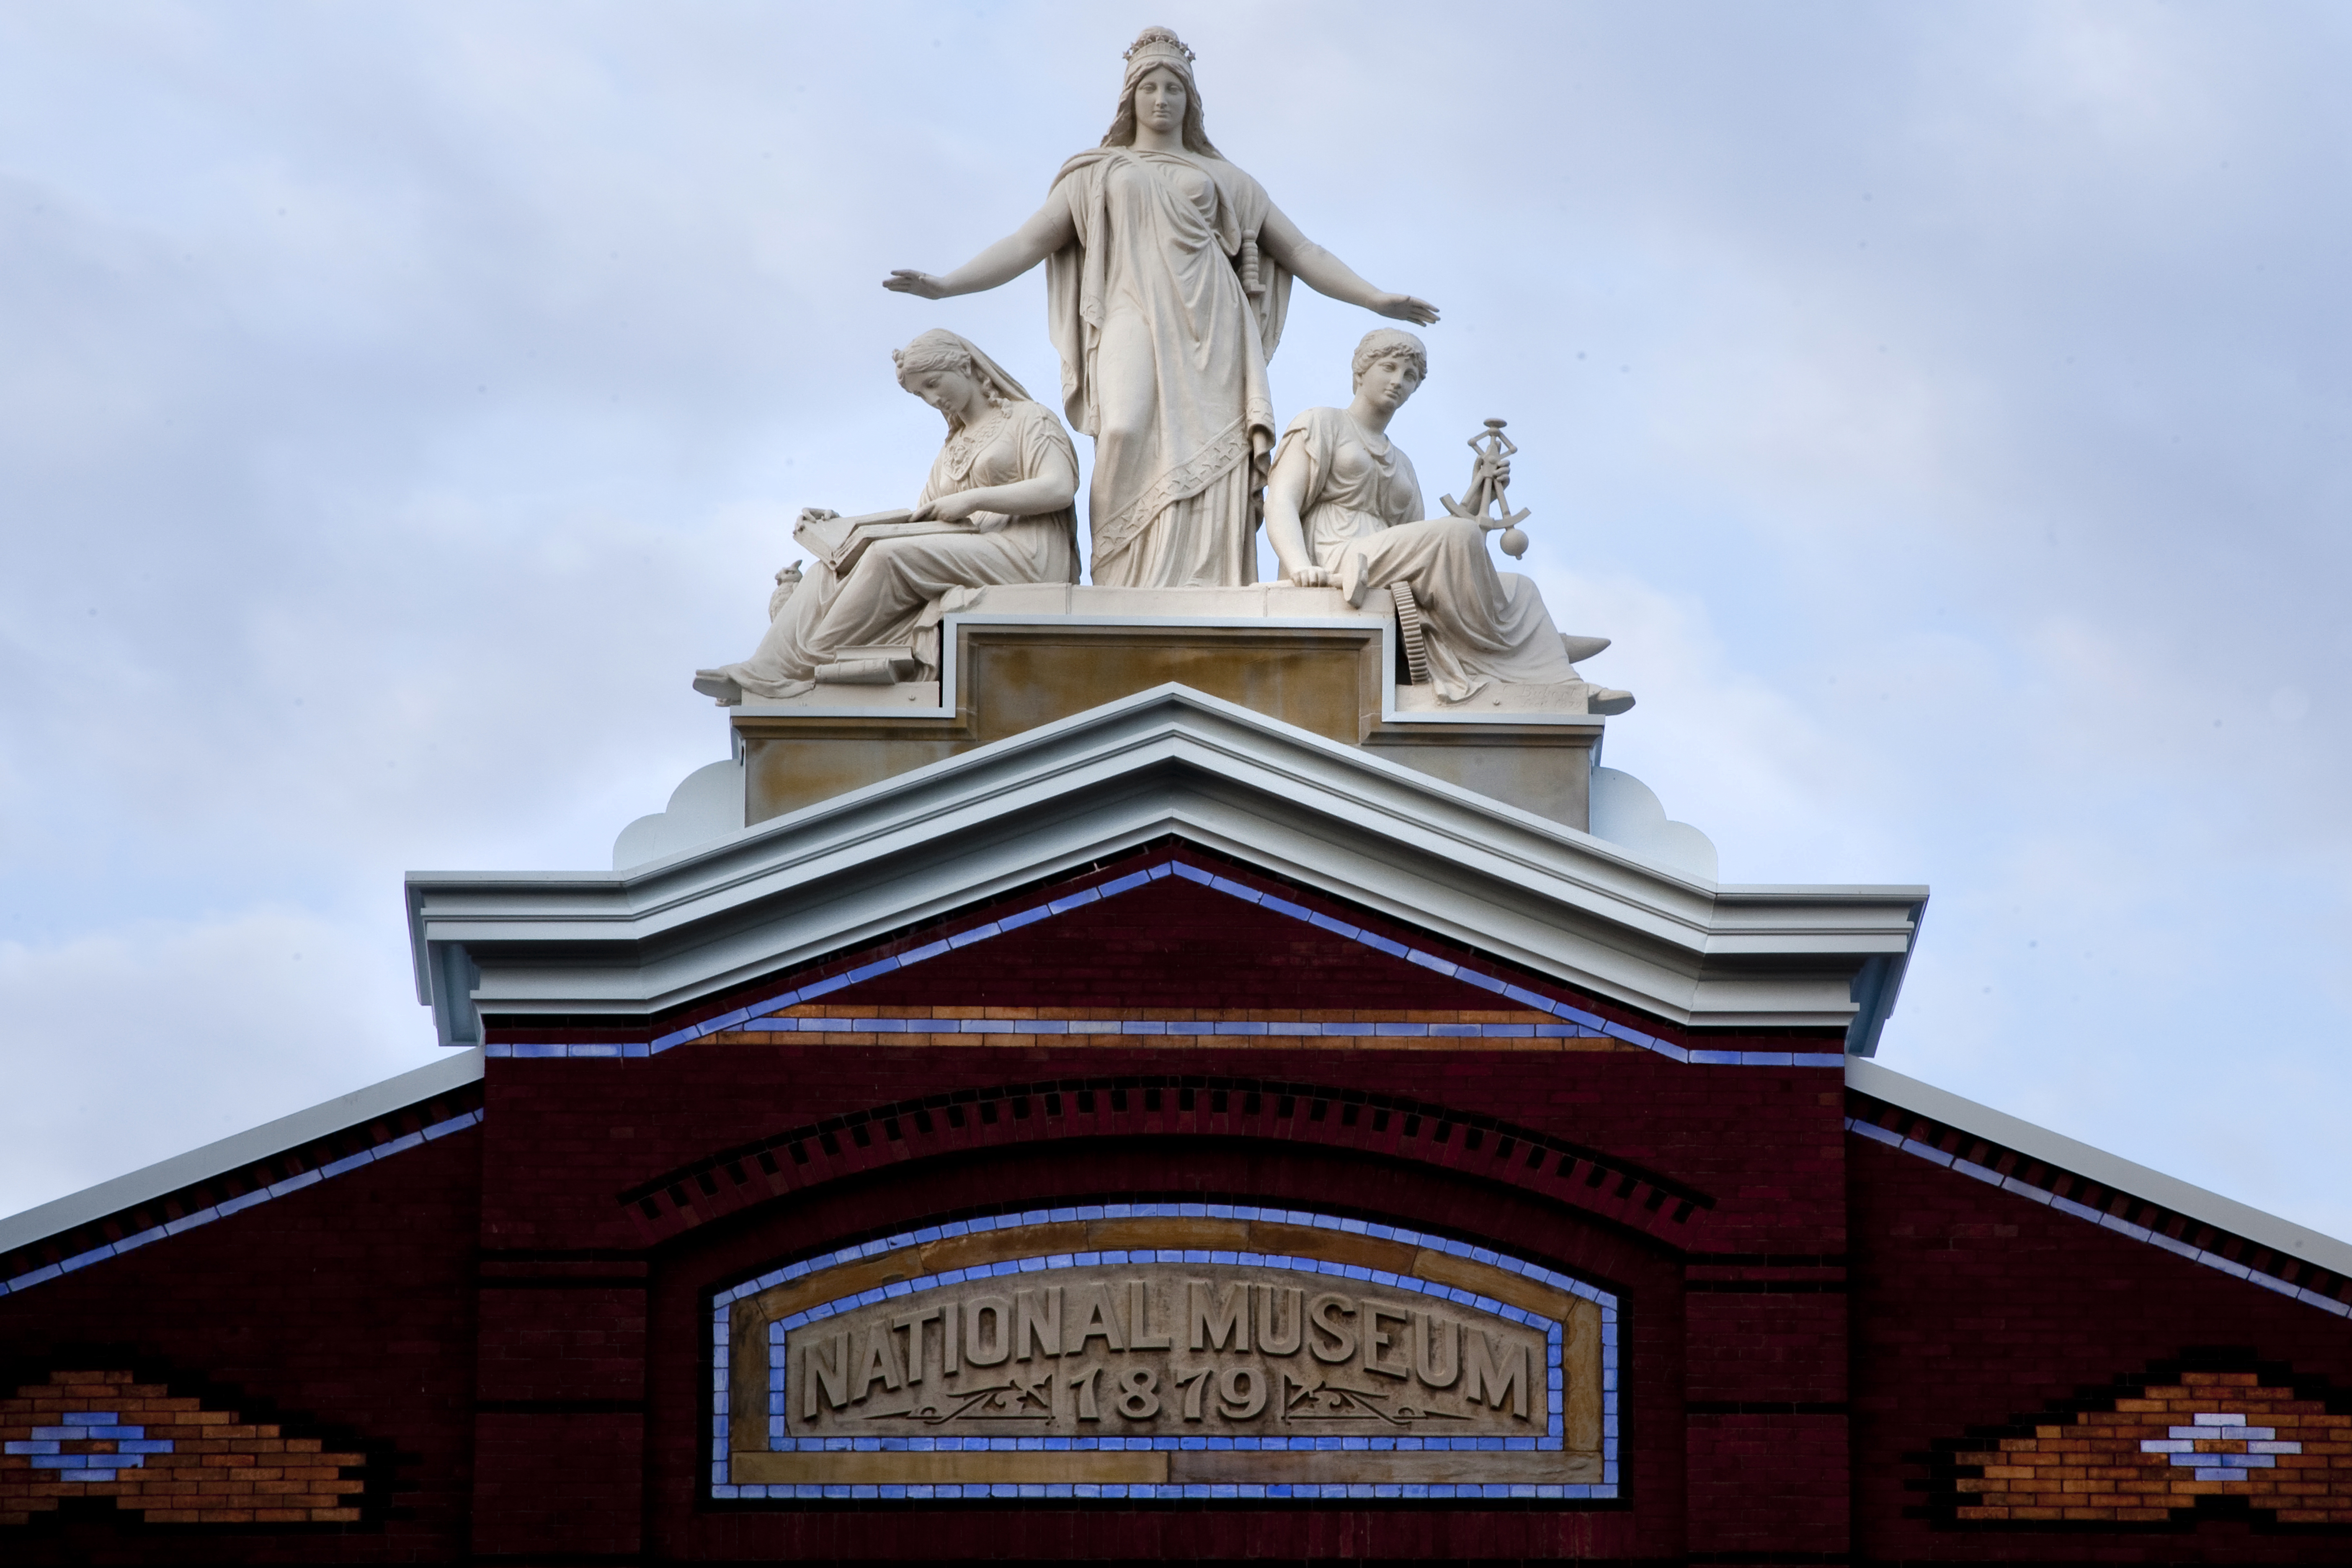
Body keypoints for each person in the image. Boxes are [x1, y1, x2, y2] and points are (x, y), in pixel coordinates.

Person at [884, 26, 1436, 589]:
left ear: (1190, 101)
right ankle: (1122, 581)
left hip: (1214, 325)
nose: (1162, 99)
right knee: (1122, 428)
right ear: (1131, 98)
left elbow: (1300, 250)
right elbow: (1028, 243)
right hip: (1129, 311)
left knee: (1213, 452)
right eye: (1150, 87)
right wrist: (946, 285)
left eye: (1175, 89)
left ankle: (1208, 583)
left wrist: (1375, 298)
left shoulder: (1226, 179)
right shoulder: (1097, 172)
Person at [693, 330, 1078, 703]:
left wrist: (970, 501)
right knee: (827, 570)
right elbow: (919, 525)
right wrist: (841, 528)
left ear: (964, 366)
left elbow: (1059, 487)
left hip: (1026, 554)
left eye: (933, 383)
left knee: (887, 557)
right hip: (973, 549)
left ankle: (806, 667)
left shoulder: (1029, 419)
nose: (931, 399)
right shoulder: (951, 448)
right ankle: (765, 668)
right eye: (920, 394)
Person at [1264, 329, 1608, 707]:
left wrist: (1478, 492)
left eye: (1410, 376)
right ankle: (1520, 650)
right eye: (1389, 367)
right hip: (1339, 557)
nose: (1398, 381)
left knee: (1519, 588)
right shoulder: (1321, 422)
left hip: (1388, 561)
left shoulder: (1404, 464)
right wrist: (1299, 566)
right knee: (1457, 536)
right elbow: (1281, 500)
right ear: (1361, 372)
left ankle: (1560, 682)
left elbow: (1430, 550)